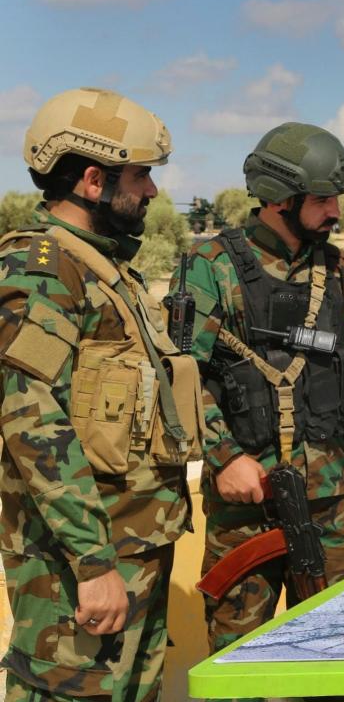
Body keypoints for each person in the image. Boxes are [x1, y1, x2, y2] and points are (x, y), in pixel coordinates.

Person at [0, 87, 203, 700]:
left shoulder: (105, 272)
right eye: (140, 176)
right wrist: (93, 564)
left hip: (133, 552)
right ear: (94, 180)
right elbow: (30, 420)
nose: (150, 191)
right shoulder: (43, 272)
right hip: (79, 569)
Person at [176, 122, 344, 662]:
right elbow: (180, 376)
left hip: (328, 500)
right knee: (235, 658)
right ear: (278, 198)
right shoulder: (210, 268)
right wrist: (224, 459)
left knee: (331, 656)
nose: (335, 212)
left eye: (337, 198)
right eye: (322, 200)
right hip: (245, 502)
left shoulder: (342, 272)